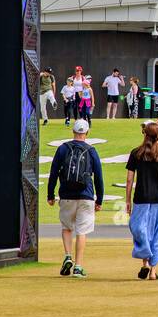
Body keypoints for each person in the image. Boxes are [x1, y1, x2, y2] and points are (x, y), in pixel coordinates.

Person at [47, 118, 103, 279]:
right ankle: (78, 266)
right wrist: (99, 200)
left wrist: (50, 195)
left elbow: (53, 173)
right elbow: (98, 177)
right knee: (82, 231)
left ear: (73, 131)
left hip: (66, 194)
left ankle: (67, 256)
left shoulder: (63, 149)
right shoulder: (91, 151)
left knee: (66, 227)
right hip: (86, 196)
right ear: (87, 132)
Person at [126, 119, 158, 280]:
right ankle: (153, 270)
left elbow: (129, 179)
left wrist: (127, 200)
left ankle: (145, 263)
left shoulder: (136, 153)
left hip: (141, 197)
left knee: (140, 229)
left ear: (145, 134)